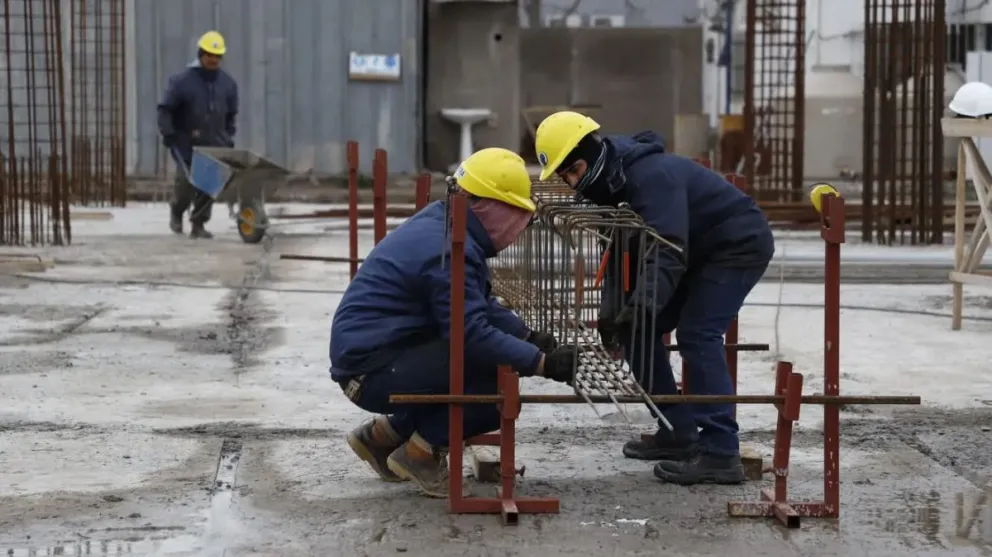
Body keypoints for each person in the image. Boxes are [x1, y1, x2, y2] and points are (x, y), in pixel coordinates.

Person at [533, 111, 775, 486]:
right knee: (637, 333)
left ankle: (720, 453)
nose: (572, 185)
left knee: (697, 334)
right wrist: (614, 317)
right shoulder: (611, 188)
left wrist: (643, 306)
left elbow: (668, 249)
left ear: (587, 158)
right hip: (695, 251)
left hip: (735, 246)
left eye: (571, 173)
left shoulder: (651, 176)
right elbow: (614, 256)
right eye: (566, 179)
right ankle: (676, 430)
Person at [329, 148, 577, 498]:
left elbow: (476, 305)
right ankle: (419, 455)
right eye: (519, 216)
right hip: (371, 371)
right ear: (491, 207)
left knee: (485, 367)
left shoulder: (445, 226)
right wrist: (541, 362)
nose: (519, 229)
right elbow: (471, 333)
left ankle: (380, 438)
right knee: (495, 392)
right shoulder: (446, 249)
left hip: (374, 357)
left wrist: (526, 335)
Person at [157, 30, 239, 239]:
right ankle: (177, 210)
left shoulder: (228, 84)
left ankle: (198, 224)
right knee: (186, 184)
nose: (213, 60)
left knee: (209, 186)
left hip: (215, 144)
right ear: (201, 54)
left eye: (217, 56)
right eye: (209, 55)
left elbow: (231, 113)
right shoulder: (181, 81)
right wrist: (168, 132)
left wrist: (228, 134)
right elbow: (165, 109)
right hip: (186, 144)